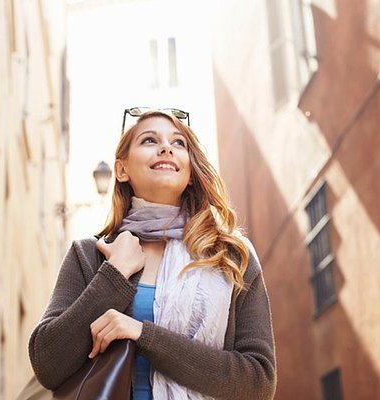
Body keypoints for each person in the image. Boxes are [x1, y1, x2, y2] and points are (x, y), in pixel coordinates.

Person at [28, 108, 276, 399]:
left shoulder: (231, 257)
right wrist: (114, 275)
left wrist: (144, 335)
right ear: (121, 170)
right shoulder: (90, 256)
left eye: (178, 143)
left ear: (191, 172)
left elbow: (258, 382)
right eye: (149, 140)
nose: (166, 148)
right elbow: (48, 363)